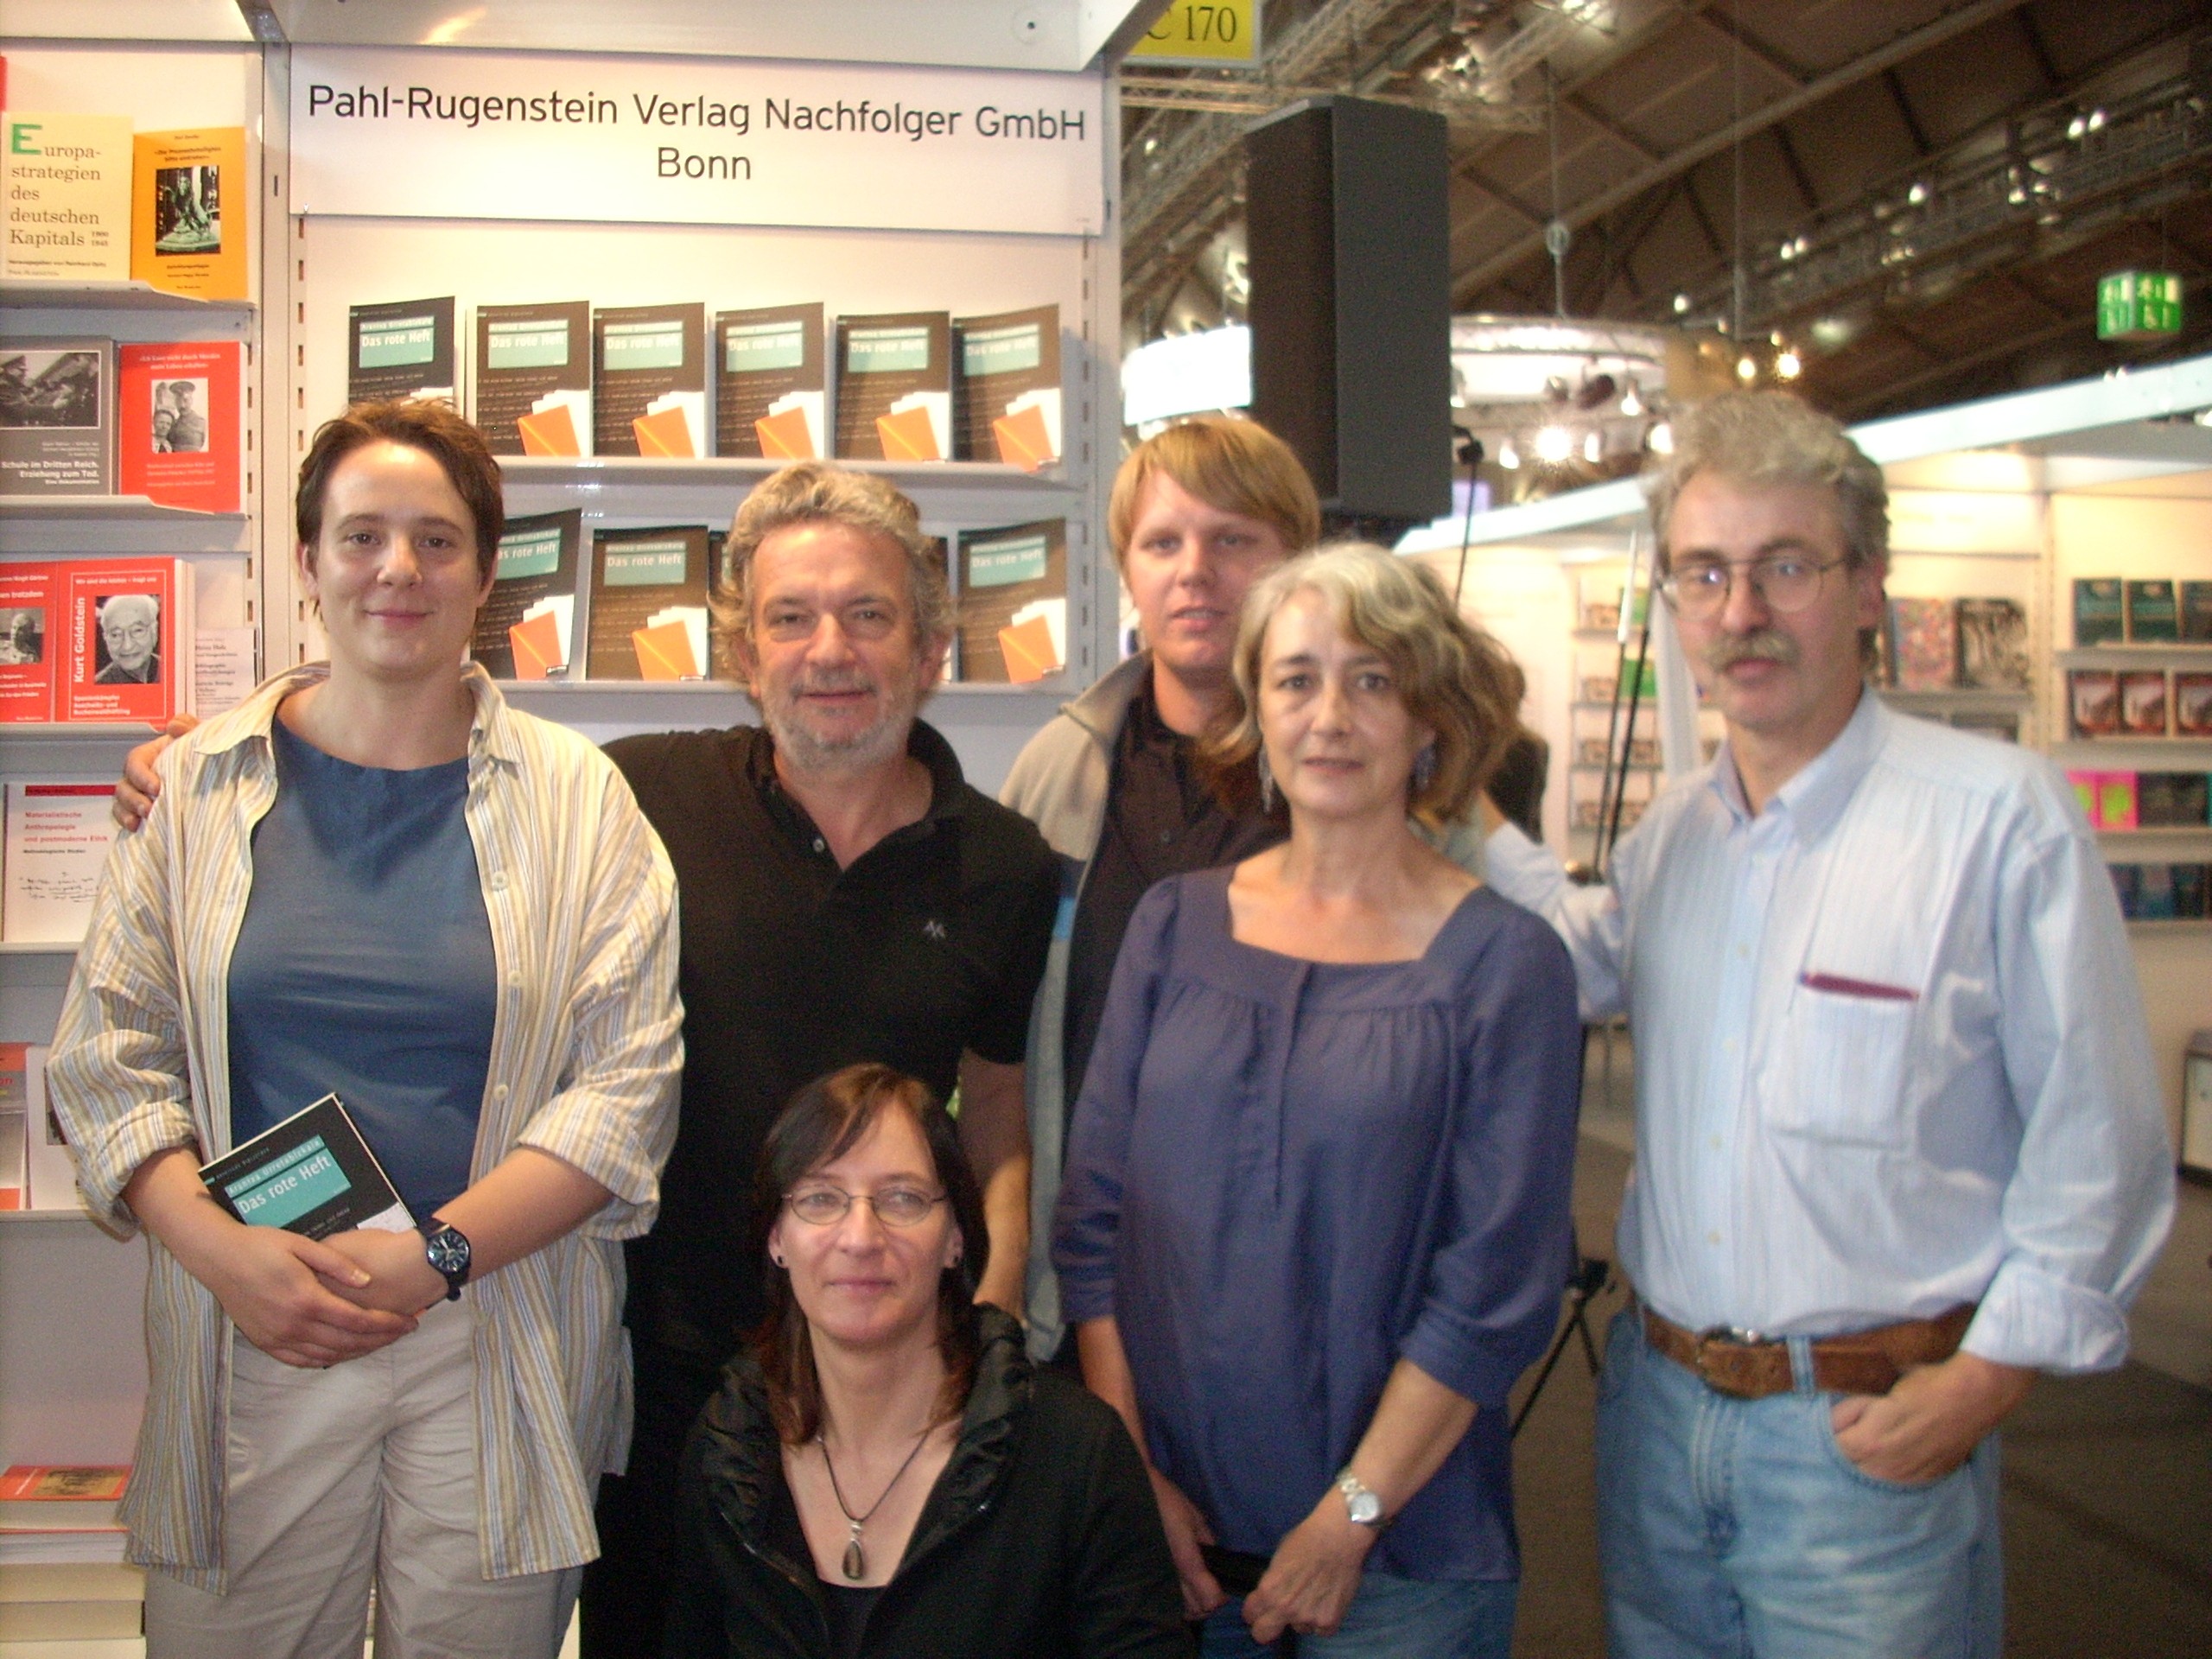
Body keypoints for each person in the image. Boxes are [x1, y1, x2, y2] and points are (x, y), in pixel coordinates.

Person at [105, 459, 1061, 1659]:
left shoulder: (1009, 866)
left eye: (870, 616)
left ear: (928, 647)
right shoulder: (633, 793)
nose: (831, 650)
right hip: (670, 1369)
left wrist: (990, 1320)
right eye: (790, 618)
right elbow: (401, 723)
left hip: (890, 1370)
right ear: (742, 650)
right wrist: (208, 759)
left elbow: (1001, 1122)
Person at [1478, 390, 2177, 1658]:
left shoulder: (1995, 819)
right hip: (1656, 1416)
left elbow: (2103, 1137)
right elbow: (1576, 965)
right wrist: (1450, 805)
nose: (1741, 612)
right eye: (1705, 574)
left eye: (1783, 568)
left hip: (1865, 1446)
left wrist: (1984, 1382)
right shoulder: (1677, 834)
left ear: (1867, 587)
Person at [45, 399, 684, 1659]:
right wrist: (230, 1259)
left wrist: (434, 1256)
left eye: (439, 541)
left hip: (493, 1322)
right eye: (362, 536)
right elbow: (108, 1061)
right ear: (307, 562)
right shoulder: (197, 790)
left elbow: (625, 1085)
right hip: (253, 1327)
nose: (399, 570)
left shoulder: (581, 801)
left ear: (488, 573)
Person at [1055, 544, 1584, 1655]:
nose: (1330, 715)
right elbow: (1093, 1226)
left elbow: (1493, 1291)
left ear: (1430, 718)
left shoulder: (1506, 965)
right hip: (1175, 1542)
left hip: (1405, 1563)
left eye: (1373, 679)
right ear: (1255, 711)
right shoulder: (1172, 926)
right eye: (1296, 679)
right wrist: (1129, 1475)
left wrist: (1350, 1518)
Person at [665, 1064, 1190, 1658]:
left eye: (903, 1198)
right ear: (777, 1238)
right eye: (820, 1198)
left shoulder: (1076, 1455)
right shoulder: (729, 1448)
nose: (861, 1237)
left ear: (956, 1239)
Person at [94, 593, 160, 683]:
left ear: (154, 631)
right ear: (105, 638)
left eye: (137, 631)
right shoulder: (100, 684)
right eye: (116, 635)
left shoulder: (177, 669)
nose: (127, 646)